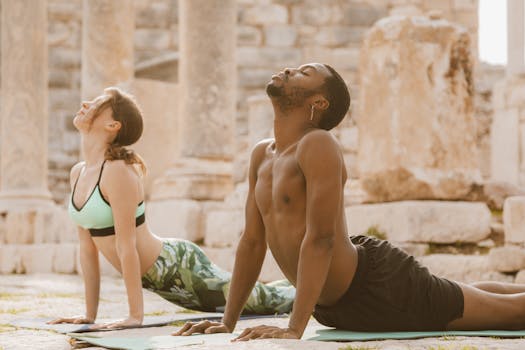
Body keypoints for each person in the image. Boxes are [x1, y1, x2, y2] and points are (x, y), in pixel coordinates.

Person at [174, 63, 525, 340]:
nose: (287, 70)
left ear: (318, 103)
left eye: (303, 73)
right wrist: (227, 322)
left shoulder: (317, 144)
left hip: (379, 288)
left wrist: (294, 328)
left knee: (509, 314)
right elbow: (251, 242)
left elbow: (321, 237)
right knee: (464, 295)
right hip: (335, 307)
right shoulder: (260, 154)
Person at [48, 87, 295, 330]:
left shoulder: (117, 171)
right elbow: (87, 248)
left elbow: (127, 245)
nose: (84, 105)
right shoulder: (78, 172)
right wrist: (89, 316)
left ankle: (318, 287)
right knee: (264, 296)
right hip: (162, 277)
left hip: (177, 267)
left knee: (270, 301)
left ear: (113, 125)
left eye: (96, 104)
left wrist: (135, 316)